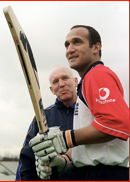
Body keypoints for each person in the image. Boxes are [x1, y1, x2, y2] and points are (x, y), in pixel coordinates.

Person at [29, 25, 129, 181]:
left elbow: (116, 123)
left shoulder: (97, 74)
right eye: (67, 45)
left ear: (96, 48)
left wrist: (64, 138)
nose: (70, 49)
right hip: (93, 173)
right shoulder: (88, 80)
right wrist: (65, 161)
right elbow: (91, 145)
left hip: (105, 174)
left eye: (77, 42)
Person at [15, 66, 78, 181]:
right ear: (52, 90)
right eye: (56, 82)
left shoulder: (90, 112)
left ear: (75, 82)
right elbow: (26, 159)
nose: (61, 84)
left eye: (65, 78)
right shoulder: (42, 117)